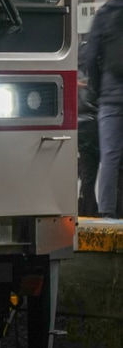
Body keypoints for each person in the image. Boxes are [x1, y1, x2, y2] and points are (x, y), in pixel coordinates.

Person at [83, 0, 123, 219]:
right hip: (109, 95)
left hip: (110, 99)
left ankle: (107, 215)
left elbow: (89, 56)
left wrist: (96, 89)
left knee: (109, 158)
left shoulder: (105, 13)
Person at [77, 42, 99, 217]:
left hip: (81, 126)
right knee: (113, 170)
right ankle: (113, 212)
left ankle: (88, 212)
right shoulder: (97, 71)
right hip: (98, 124)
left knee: (87, 176)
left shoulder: (74, 73)